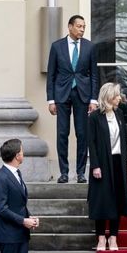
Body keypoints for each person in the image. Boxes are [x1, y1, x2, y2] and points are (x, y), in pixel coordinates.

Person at [46, 14, 99, 184]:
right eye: (79, 26)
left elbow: (94, 76)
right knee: (62, 134)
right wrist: (51, 100)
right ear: (70, 27)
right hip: (62, 94)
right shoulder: (57, 47)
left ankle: (81, 173)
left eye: (84, 26)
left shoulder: (90, 47)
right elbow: (51, 75)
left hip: (82, 95)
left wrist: (93, 99)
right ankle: (63, 172)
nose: (82, 29)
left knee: (82, 134)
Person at [87, 83, 127, 251]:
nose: (120, 98)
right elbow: (91, 143)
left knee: (117, 200)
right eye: (116, 95)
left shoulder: (120, 114)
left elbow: (125, 140)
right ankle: (101, 239)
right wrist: (95, 166)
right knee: (101, 201)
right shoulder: (94, 117)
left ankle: (113, 238)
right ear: (108, 97)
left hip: (118, 162)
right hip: (102, 164)